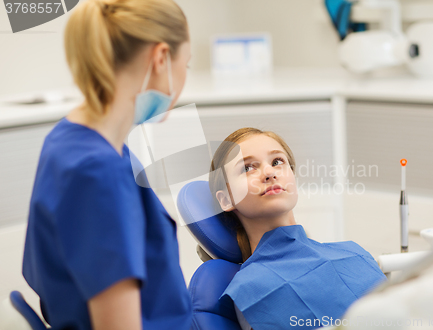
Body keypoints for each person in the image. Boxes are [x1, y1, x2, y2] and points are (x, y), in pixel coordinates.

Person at [22, 0, 193, 329]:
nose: (185, 79)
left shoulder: (70, 139)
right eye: (186, 62)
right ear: (160, 59)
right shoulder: (98, 173)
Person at [209, 128, 387, 330]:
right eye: (248, 168)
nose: (269, 173)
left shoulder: (353, 252)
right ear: (227, 199)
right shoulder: (251, 290)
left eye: (277, 162)